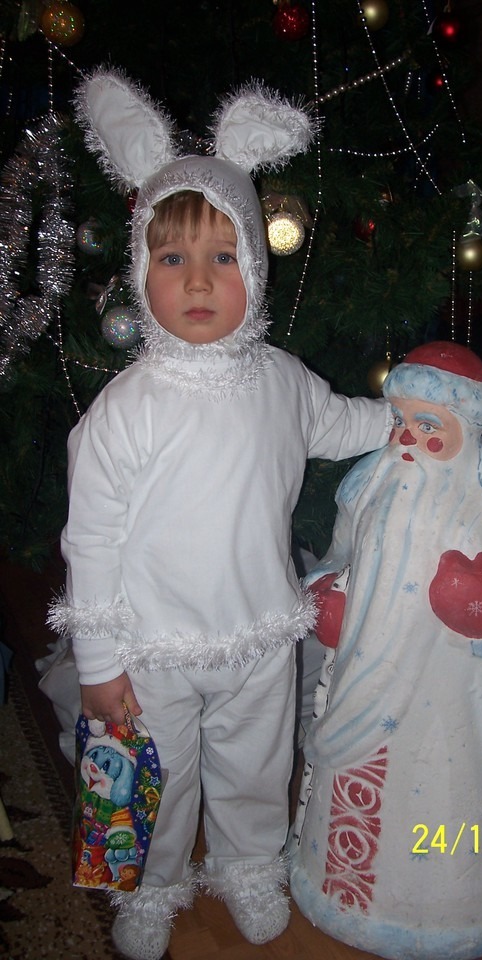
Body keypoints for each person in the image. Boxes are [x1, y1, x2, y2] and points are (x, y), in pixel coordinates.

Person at [46, 68, 392, 960]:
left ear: (256, 269)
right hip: (152, 646)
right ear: (141, 271)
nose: (197, 281)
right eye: (172, 260)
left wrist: (412, 421)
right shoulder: (127, 408)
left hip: (258, 635)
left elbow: (343, 423)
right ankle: (151, 884)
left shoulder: (281, 381)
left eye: (223, 257)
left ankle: (248, 865)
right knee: (154, 779)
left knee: (254, 767)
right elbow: (92, 540)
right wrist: (99, 663)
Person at [288, 342, 482, 960]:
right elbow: (339, 556)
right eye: (400, 420)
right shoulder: (371, 481)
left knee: (453, 803)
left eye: (428, 425)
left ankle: (462, 907)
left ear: (467, 424)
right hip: (362, 690)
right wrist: (328, 594)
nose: (408, 439)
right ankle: (347, 888)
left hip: (464, 710)